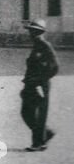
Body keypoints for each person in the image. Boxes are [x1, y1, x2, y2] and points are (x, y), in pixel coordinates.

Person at [21, 18, 58, 151]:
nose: (31, 34)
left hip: (40, 85)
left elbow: (55, 67)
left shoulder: (45, 46)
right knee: (26, 113)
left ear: (40, 33)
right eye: (31, 31)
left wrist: (41, 81)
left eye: (35, 31)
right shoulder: (36, 46)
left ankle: (38, 143)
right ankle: (45, 134)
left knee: (39, 115)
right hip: (31, 85)